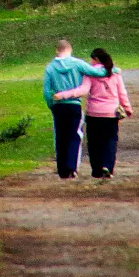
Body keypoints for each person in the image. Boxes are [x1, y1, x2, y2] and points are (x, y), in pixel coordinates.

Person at [53, 46, 132, 179]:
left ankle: (96, 169)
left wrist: (63, 95)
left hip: (94, 113)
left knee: (94, 142)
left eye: (91, 60)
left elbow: (82, 90)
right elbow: (122, 93)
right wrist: (128, 108)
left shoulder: (90, 74)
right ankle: (107, 166)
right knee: (110, 140)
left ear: (95, 59)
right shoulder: (115, 73)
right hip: (111, 113)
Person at [42, 39, 108, 178]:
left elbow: (46, 91)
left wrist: (51, 104)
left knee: (60, 136)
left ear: (56, 50)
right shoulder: (77, 63)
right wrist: (113, 69)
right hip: (74, 105)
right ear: (70, 50)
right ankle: (72, 167)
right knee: (74, 135)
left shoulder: (50, 67)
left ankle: (62, 170)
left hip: (58, 106)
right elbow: (97, 73)